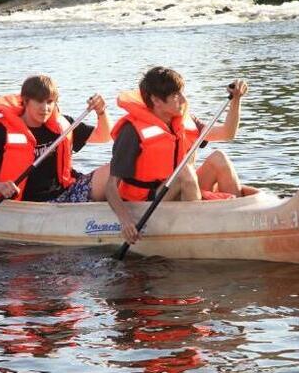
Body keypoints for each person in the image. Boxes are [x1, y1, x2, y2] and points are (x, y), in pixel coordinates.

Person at [105, 66, 250, 244]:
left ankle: (240, 220)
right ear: (156, 100)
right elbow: (111, 187)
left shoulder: (183, 119)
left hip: (179, 187)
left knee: (219, 158)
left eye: (182, 93)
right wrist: (125, 220)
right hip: (147, 201)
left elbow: (228, 133)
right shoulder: (132, 132)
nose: (184, 100)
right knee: (185, 172)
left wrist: (236, 100)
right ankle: (202, 234)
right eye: (176, 96)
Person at [0, 75, 111, 202]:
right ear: (25, 101)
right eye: (39, 101)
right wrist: (0, 187)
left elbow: (103, 136)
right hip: (25, 204)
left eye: (49, 102)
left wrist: (101, 112)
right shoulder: (2, 132)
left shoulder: (63, 124)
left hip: (65, 194)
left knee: (112, 171)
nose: (45, 108)